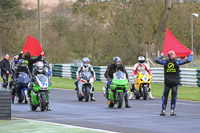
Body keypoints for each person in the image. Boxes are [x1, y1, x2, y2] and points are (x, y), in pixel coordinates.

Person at [155, 51, 193, 116]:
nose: (175, 55)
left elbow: (156, 60)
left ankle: (163, 110)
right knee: (174, 96)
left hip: (167, 82)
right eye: (174, 54)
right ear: (172, 55)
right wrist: (191, 55)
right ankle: (172, 111)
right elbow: (188, 60)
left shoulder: (165, 62)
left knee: (165, 96)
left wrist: (161, 56)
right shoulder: (177, 62)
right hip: (175, 83)